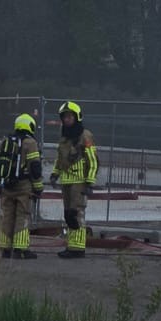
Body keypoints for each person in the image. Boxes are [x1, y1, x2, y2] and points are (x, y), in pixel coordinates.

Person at [50, 101, 98, 258]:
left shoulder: (85, 136)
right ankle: (71, 246)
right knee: (68, 215)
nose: (67, 120)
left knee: (76, 214)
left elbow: (93, 160)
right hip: (66, 181)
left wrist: (90, 182)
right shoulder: (64, 138)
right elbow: (60, 159)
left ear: (77, 117)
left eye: (70, 117)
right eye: (64, 117)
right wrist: (55, 173)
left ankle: (77, 249)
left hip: (79, 181)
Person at [0, 114, 44, 259]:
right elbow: (34, 167)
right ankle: (21, 249)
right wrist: (38, 187)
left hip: (7, 186)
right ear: (30, 126)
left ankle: (5, 248)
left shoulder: (7, 141)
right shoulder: (30, 143)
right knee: (23, 215)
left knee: (7, 216)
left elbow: (0, 164)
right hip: (23, 186)